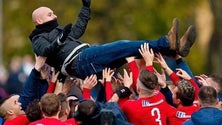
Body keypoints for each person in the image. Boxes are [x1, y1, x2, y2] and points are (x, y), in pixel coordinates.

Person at [29, 0, 196, 80]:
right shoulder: (38, 38)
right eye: (50, 14)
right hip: (79, 61)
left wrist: (85, 8)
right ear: (39, 21)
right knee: (122, 46)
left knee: (130, 53)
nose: (55, 15)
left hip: (85, 61)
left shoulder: (57, 31)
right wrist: (60, 40)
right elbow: (45, 51)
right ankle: (166, 43)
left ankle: (173, 51)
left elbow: (77, 31)